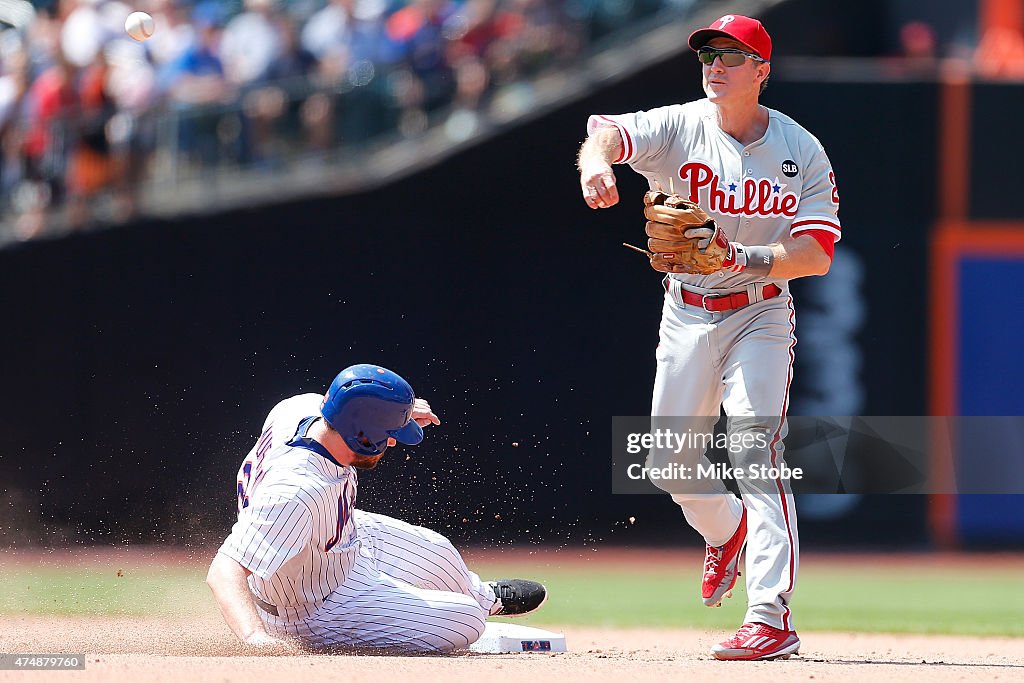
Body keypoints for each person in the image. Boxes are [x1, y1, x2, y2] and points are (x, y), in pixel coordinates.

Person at [577, 14, 840, 661]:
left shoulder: (800, 149)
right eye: (708, 54)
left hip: (760, 313)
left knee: (757, 452)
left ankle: (771, 613)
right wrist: (595, 164)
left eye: (732, 54)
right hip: (687, 310)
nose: (715, 65)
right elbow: (606, 133)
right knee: (667, 463)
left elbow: (816, 252)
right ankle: (728, 528)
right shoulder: (679, 125)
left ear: (762, 70)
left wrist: (740, 256)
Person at [207, 364, 547, 653]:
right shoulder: (297, 492)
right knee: (466, 621)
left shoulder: (299, 409)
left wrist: (393, 411)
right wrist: (254, 638)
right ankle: (457, 611)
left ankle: (485, 597)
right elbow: (225, 570)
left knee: (439, 550)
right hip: (309, 603)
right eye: (389, 433)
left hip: (330, 538)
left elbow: (350, 404)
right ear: (361, 436)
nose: (395, 441)